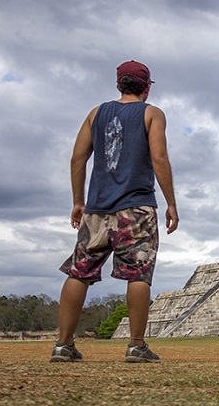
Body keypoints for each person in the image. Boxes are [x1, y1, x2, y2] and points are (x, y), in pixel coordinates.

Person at [50, 60, 178, 363]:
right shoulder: (152, 113)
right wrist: (171, 202)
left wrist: (78, 201)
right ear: (146, 87)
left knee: (79, 272)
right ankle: (136, 345)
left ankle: (63, 344)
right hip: (136, 207)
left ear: (118, 84)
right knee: (138, 274)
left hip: (97, 208)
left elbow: (77, 159)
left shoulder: (96, 114)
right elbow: (158, 157)